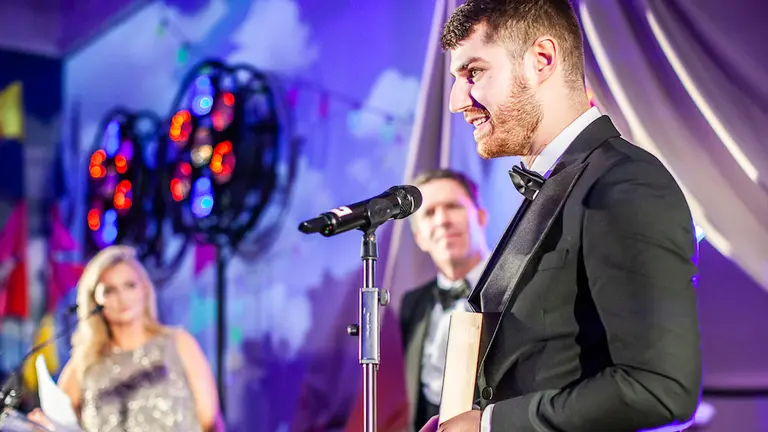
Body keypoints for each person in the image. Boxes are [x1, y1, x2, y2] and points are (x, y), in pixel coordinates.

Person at [424, 0, 703, 430]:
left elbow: (659, 388)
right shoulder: (555, 183)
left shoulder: (625, 182)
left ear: (542, 59)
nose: (456, 101)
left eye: (473, 72)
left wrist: (488, 425)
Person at [28, 245, 223, 432]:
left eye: (130, 285)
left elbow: (210, 421)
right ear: (94, 300)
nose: (122, 297)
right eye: (109, 290)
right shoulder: (84, 363)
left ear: (144, 289)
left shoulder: (178, 344)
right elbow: (59, 423)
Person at [399, 169, 490, 431]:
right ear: (419, 238)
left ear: (480, 216)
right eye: (429, 213)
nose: (442, 220)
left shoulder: (519, 282)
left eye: (453, 206)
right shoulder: (412, 303)